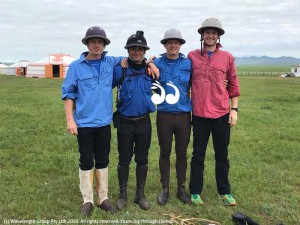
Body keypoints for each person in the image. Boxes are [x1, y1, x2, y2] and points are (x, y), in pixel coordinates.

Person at [61, 26, 122, 216]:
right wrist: (70, 120)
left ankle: (103, 198)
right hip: (84, 123)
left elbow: (132, 59)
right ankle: (87, 200)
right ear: (87, 43)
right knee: (86, 160)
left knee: (103, 159)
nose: (97, 45)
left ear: (104, 44)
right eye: (93, 41)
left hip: (104, 122)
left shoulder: (111, 62)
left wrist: (150, 62)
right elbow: (69, 94)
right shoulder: (76, 67)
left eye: (100, 42)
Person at [188, 18, 240, 206]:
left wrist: (234, 109)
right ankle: (195, 191)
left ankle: (225, 192)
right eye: (207, 32)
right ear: (202, 35)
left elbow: (233, 84)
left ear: (218, 36)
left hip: (221, 113)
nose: (210, 35)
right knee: (198, 154)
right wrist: (151, 60)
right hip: (200, 113)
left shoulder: (227, 57)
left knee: (222, 155)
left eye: (214, 32)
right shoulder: (191, 56)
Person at [112, 31, 156, 211]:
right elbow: (105, 82)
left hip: (144, 122)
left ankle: (140, 195)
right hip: (125, 122)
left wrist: (152, 64)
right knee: (124, 159)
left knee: (142, 159)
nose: (137, 51)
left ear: (144, 51)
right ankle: (123, 195)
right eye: (133, 49)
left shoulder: (150, 69)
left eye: (140, 49)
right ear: (128, 50)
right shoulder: (120, 68)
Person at [152, 29, 192, 206]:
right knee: (165, 151)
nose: (173, 45)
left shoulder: (189, 64)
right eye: (169, 42)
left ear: (180, 44)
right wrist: (148, 61)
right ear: (164, 44)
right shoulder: (156, 62)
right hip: (164, 114)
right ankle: (165, 188)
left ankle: (181, 188)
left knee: (182, 152)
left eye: (176, 42)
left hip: (183, 114)